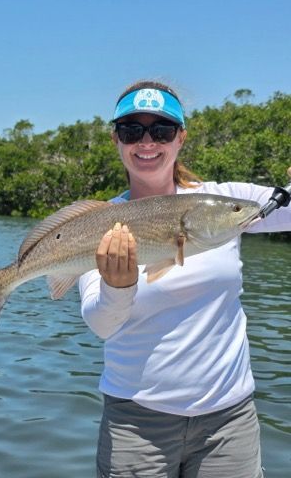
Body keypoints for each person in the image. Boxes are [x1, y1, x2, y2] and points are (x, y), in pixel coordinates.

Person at [78, 80, 291, 478]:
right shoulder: (98, 223)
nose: (147, 141)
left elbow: (287, 208)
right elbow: (101, 324)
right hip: (135, 424)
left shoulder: (224, 201)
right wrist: (117, 287)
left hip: (229, 421)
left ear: (181, 138)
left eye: (161, 130)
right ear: (116, 140)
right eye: (132, 130)